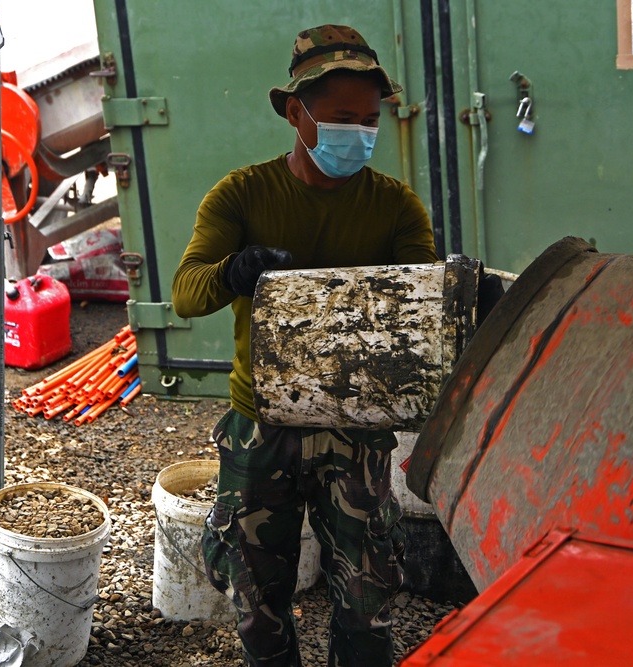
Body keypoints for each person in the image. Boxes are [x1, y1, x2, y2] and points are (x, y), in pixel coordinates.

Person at [171, 24, 439, 667]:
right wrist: (235, 271)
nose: (361, 134)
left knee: (368, 596)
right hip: (261, 425)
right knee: (255, 599)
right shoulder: (242, 195)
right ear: (297, 112)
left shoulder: (396, 208)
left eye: (371, 120)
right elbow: (185, 292)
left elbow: (425, 307)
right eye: (344, 118)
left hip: (356, 426)